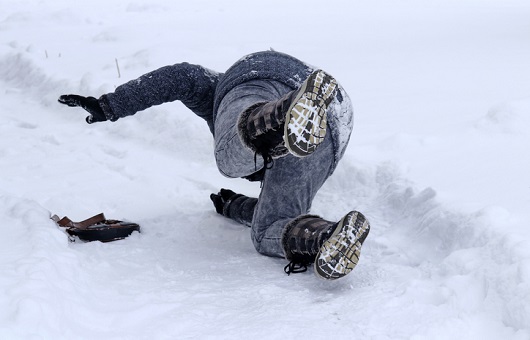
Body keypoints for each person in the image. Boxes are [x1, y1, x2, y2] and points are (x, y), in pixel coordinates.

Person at [58, 50, 370, 280]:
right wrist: (234, 206)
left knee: (230, 159)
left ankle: (278, 114)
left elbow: (181, 76)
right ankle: (328, 238)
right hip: (336, 124)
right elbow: (264, 209)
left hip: (260, 76)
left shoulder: (215, 90)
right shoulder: (296, 143)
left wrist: (109, 105)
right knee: (266, 232)